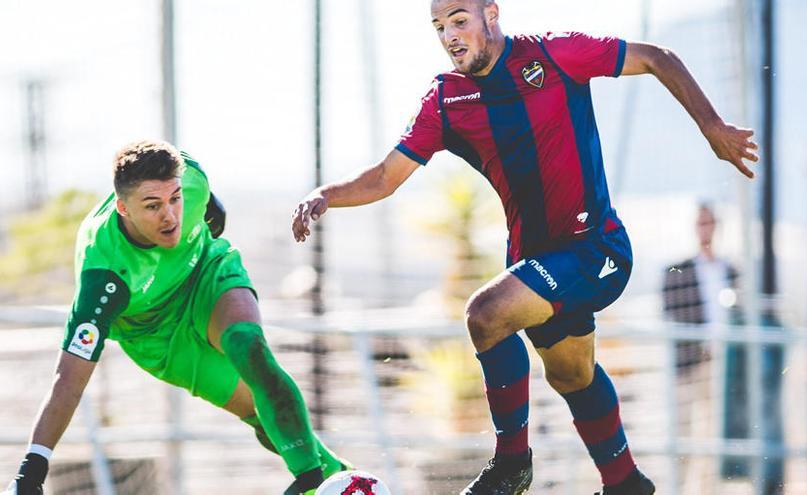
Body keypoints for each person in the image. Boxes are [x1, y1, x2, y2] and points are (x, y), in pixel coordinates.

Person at [291, 1, 758, 493]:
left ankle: (512, 465)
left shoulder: (555, 55)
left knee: (486, 314)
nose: (449, 35)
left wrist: (712, 126)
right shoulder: (446, 100)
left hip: (596, 249)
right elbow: (386, 176)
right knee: (572, 376)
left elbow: (657, 56)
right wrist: (326, 195)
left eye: (459, 20)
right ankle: (626, 484)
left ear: (491, 14)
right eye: (438, 27)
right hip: (535, 262)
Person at [2, 140, 347, 495]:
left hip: (205, 274)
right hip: (157, 336)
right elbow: (68, 381)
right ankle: (342, 478)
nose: (169, 216)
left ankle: (314, 481)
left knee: (248, 346)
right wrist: (30, 475)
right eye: (152, 206)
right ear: (123, 208)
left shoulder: (190, 177)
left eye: (175, 199)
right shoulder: (104, 277)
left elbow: (202, 198)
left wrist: (208, 205)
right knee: (261, 416)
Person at [661, 203, 745, 491]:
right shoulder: (678, 271)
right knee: (683, 432)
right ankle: (679, 488)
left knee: (714, 434)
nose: (705, 229)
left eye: (709, 223)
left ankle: (707, 489)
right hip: (689, 363)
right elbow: (672, 312)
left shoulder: (731, 270)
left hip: (722, 365)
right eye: (701, 223)